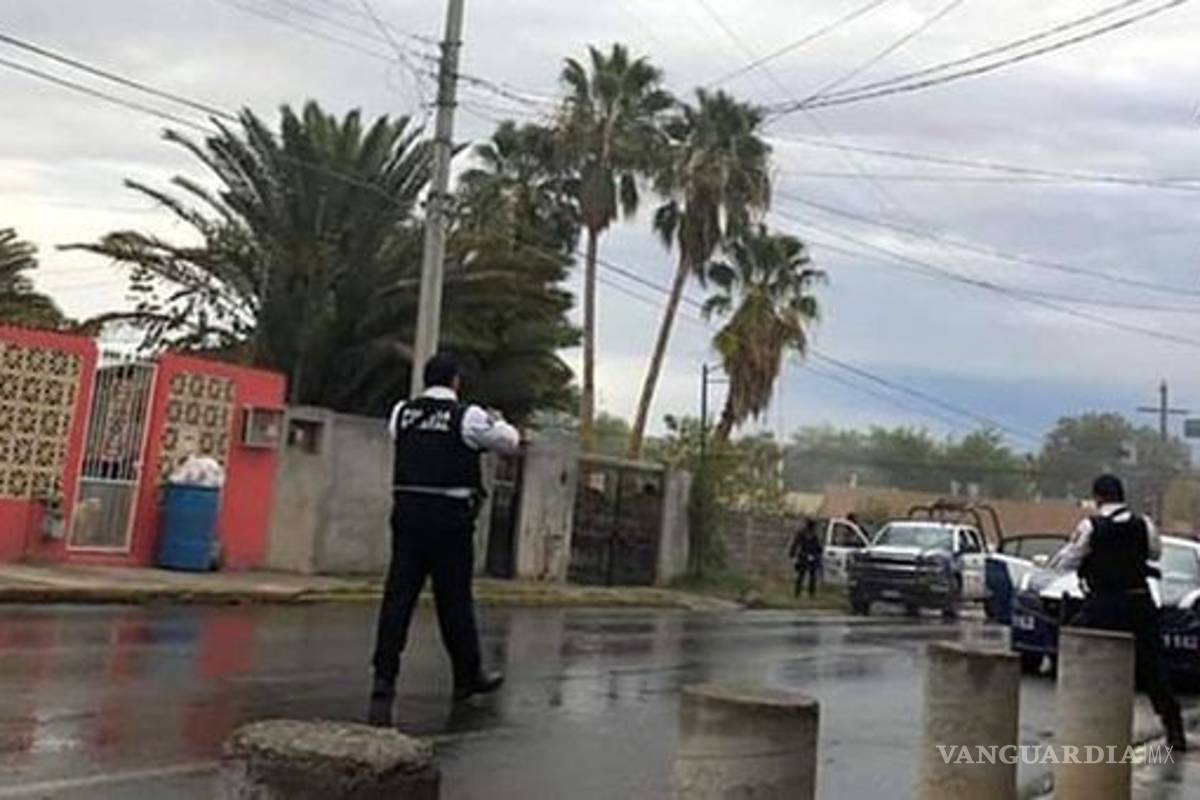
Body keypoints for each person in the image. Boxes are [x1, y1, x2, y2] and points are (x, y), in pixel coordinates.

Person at [367, 353, 521, 728]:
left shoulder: (402, 413)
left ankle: (384, 679)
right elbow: (509, 442)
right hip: (449, 520)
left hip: (407, 515)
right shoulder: (467, 416)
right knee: (454, 601)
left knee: (397, 599)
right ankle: (467, 677)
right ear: (455, 381)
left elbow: (402, 440)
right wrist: (498, 420)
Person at [1053, 474, 1187, 751]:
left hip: (1103, 604)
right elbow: (1155, 554)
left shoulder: (1090, 526)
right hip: (1139, 602)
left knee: (1079, 652)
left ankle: (1087, 721)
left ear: (1098, 497)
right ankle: (1174, 729)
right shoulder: (1143, 524)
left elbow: (1066, 561)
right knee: (1155, 668)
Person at [789, 519, 824, 598]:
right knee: (803, 575)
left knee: (810, 576)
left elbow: (818, 547)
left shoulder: (813, 535)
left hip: (810, 556)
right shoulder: (804, 534)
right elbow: (796, 543)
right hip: (805, 556)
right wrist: (792, 553)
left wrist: (818, 553)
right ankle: (799, 592)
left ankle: (808, 593)